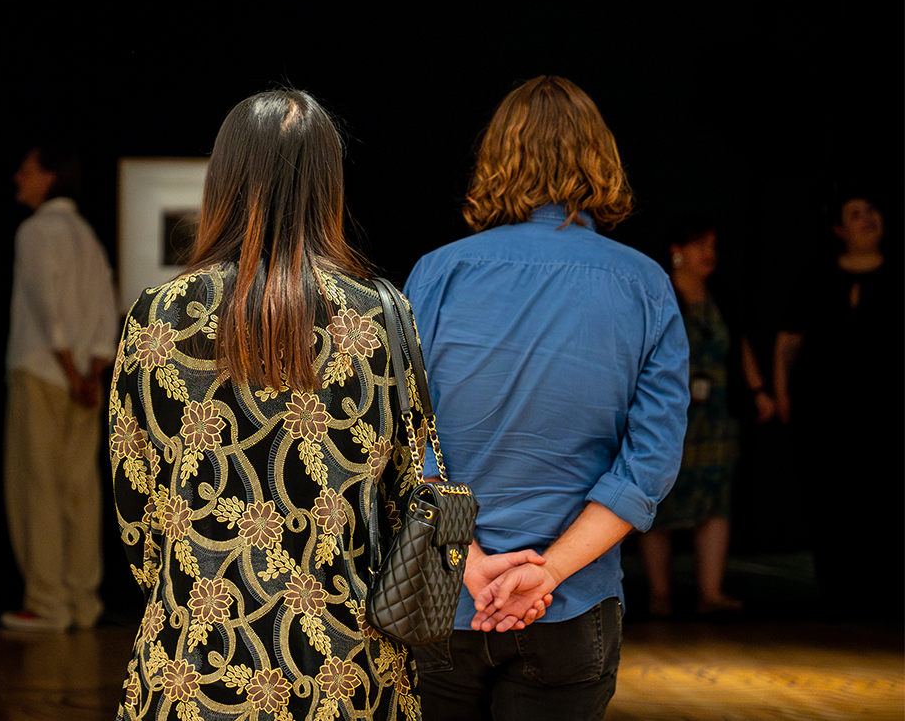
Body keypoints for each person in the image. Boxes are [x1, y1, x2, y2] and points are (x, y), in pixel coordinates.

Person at [108, 91, 547, 721]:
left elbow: (136, 513)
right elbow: (415, 492)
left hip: (189, 664)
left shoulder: (157, 315)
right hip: (342, 673)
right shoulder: (384, 315)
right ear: (328, 187)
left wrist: (191, 580)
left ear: (223, 179)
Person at [404, 75, 689, 720]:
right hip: (575, 604)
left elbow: (399, 438)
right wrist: (548, 574)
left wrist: (470, 562)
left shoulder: (438, 273)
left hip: (445, 599)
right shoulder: (646, 286)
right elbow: (650, 464)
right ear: (602, 161)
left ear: (495, 159)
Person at [1, 145, 121, 633]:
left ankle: (48, 603)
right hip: (82, 380)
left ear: (49, 177)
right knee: (80, 491)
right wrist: (92, 371)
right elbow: (105, 304)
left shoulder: (35, 232)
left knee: (38, 488)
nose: (18, 177)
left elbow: (46, 306)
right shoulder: (86, 235)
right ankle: (81, 600)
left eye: (27, 170)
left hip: (43, 373)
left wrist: (72, 370)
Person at [773, 194, 903, 618]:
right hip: (824, 411)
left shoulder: (896, 272)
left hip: (885, 412)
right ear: (838, 230)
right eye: (856, 214)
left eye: (871, 211)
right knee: (831, 498)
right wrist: (782, 393)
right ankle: (838, 594)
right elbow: (788, 343)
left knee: (882, 498)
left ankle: (882, 592)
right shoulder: (818, 275)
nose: (868, 218)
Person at [636, 222, 771, 618]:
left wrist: (758, 390)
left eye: (713, 246)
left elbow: (738, 343)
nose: (708, 253)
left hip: (717, 417)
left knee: (716, 500)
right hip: (669, 415)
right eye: (699, 246)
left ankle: (710, 592)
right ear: (676, 250)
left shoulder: (721, 295)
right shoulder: (660, 295)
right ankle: (660, 593)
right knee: (660, 500)